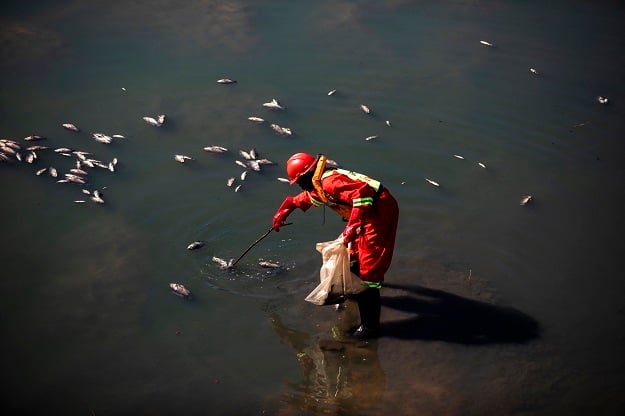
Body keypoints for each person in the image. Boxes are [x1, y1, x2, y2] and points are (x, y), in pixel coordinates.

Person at [272, 152, 399, 339]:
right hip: (363, 213)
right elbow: (304, 199)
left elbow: (362, 194)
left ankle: (370, 327)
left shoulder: (331, 182)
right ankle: (358, 290)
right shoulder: (319, 184)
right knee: (353, 255)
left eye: (299, 181)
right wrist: (283, 212)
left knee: (369, 270)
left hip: (379, 213)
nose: (299, 185)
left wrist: (353, 226)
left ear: (308, 174)